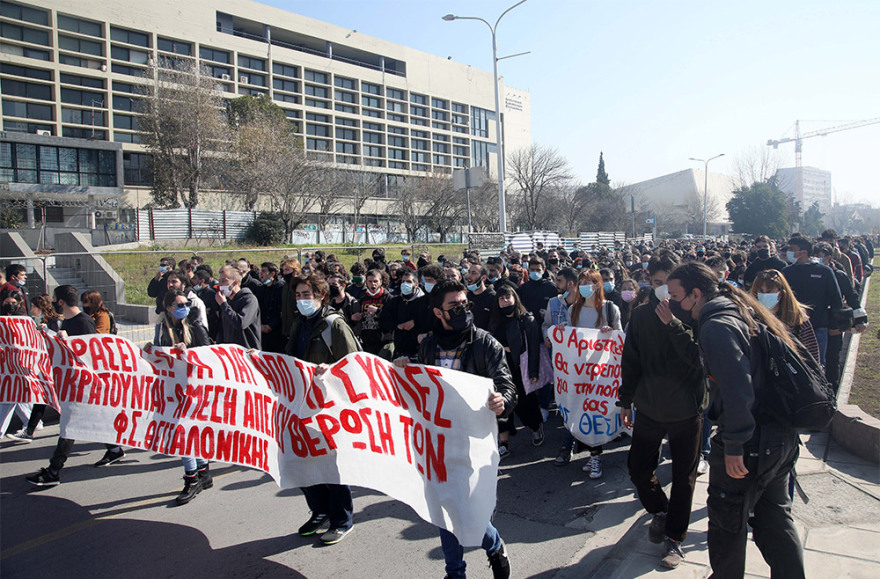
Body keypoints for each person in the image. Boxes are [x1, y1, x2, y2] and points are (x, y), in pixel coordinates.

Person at [667, 262, 805, 579]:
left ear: (696, 293)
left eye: (676, 295)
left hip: (751, 442)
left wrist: (734, 444)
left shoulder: (718, 326)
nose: (673, 302)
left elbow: (737, 389)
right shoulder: (739, 309)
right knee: (773, 519)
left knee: (728, 523)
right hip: (777, 435)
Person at [395, 279, 514, 579]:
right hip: (437, 443)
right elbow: (419, 390)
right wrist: (399, 371)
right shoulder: (428, 347)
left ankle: (494, 543)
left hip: (473, 443)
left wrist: (502, 401)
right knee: (443, 508)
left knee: (471, 511)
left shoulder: (485, 344)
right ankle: (455, 572)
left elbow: (506, 386)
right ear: (438, 312)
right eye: (454, 306)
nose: (462, 309)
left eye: (465, 304)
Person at [619, 251, 707, 569]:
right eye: (655, 284)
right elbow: (631, 361)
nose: (661, 292)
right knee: (639, 468)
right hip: (649, 408)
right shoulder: (641, 316)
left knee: (684, 476)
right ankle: (660, 510)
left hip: (686, 411)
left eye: (667, 285)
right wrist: (624, 400)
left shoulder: (696, 315)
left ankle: (674, 538)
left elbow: (699, 361)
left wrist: (673, 325)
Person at [287, 275, 361, 545]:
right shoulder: (299, 324)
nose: (302, 299)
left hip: (329, 408)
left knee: (330, 466)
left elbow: (354, 366)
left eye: (307, 294)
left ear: (321, 296)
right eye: (297, 295)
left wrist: (331, 372)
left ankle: (342, 520)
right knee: (303, 462)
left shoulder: (335, 325)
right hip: (302, 404)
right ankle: (320, 512)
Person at [26, 285, 126, 486]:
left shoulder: (83, 322)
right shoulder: (68, 322)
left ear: (61, 302)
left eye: (55, 299)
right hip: (73, 383)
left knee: (69, 426)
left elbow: (91, 355)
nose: (53, 302)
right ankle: (115, 449)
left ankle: (54, 471)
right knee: (97, 417)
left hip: (84, 386)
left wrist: (66, 340)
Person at [147, 290, 214, 505]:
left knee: (184, 431)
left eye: (185, 303)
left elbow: (208, 356)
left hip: (193, 387)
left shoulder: (195, 327)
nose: (184, 306)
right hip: (173, 387)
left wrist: (188, 353)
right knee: (187, 430)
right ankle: (203, 472)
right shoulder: (162, 328)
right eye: (178, 304)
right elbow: (159, 353)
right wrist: (151, 350)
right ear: (168, 308)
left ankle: (192, 478)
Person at [566, 269, 622, 479]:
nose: (584, 286)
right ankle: (592, 454)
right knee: (582, 412)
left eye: (589, 282)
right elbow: (570, 338)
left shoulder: (609, 308)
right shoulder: (574, 309)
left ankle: (595, 456)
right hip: (579, 372)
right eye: (581, 282)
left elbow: (619, 337)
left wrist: (610, 331)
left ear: (598, 285)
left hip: (602, 373)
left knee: (595, 413)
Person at [489, 285, 545, 457]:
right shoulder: (495, 320)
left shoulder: (526, 319)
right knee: (502, 405)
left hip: (521, 368)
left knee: (524, 404)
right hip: (499, 369)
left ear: (515, 298)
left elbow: (534, 347)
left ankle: (536, 427)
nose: (505, 301)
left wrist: (533, 372)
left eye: (508, 297)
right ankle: (503, 442)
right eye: (501, 298)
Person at [781, 236, 843, 365]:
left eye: (792, 249)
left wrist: (834, 325)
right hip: (792, 328)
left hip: (818, 327)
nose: (789, 252)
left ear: (804, 252)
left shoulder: (824, 272)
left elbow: (836, 300)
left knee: (817, 364)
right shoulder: (786, 273)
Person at [6, 295, 59, 443]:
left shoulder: (53, 322)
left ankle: (30, 430)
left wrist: (46, 331)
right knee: (42, 397)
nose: (32, 310)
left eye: (34, 307)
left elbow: (57, 342)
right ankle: (29, 431)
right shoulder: (36, 322)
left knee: (53, 398)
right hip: (43, 367)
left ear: (40, 307)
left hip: (53, 367)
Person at [750, 270, 820, 364]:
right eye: (761, 291)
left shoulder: (797, 319)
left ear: (780, 294)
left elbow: (812, 356)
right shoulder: (751, 317)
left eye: (769, 291)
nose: (764, 295)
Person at [380, 268, 429, 361]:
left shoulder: (423, 301)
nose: (405, 284)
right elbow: (384, 320)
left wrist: (415, 322)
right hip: (399, 350)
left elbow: (429, 320)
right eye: (403, 281)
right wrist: (397, 326)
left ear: (416, 284)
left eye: (409, 282)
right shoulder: (395, 301)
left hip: (418, 352)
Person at [214, 265, 261, 350]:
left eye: (224, 281)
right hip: (230, 352)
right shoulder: (227, 301)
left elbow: (240, 323)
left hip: (247, 352)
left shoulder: (249, 299)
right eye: (219, 281)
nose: (220, 285)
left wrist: (224, 305)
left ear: (235, 283)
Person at [351, 268, 392, 356]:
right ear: (366, 282)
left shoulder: (388, 298)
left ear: (380, 282)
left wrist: (378, 311)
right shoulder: (363, 298)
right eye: (370, 281)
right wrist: (356, 317)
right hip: (367, 341)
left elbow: (392, 318)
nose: (373, 284)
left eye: (375, 281)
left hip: (383, 341)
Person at [257, 262, 285, 353]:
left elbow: (282, 311)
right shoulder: (260, 289)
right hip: (263, 332)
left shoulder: (281, 288)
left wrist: (271, 325)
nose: (261, 274)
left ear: (272, 274)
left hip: (277, 332)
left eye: (264, 271)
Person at [466, 263, 496, 331]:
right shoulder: (465, 296)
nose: (469, 276)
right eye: (469, 272)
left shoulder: (493, 298)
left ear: (483, 277)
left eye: (474, 273)